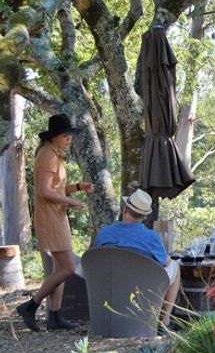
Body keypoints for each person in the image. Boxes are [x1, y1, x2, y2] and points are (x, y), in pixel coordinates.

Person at [15, 114, 93, 332]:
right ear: (54, 136)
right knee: (68, 267)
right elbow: (44, 192)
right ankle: (30, 306)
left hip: (58, 215)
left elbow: (56, 188)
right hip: (50, 218)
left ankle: (55, 317)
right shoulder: (47, 156)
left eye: (70, 136)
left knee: (59, 269)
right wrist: (71, 201)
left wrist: (78, 187)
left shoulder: (54, 154)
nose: (69, 139)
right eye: (65, 136)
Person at [93, 189, 181, 330]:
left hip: (109, 286)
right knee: (175, 266)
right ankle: (164, 321)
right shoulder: (151, 237)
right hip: (141, 288)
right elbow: (167, 263)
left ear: (125, 209)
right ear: (145, 216)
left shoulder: (104, 233)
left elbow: (94, 258)